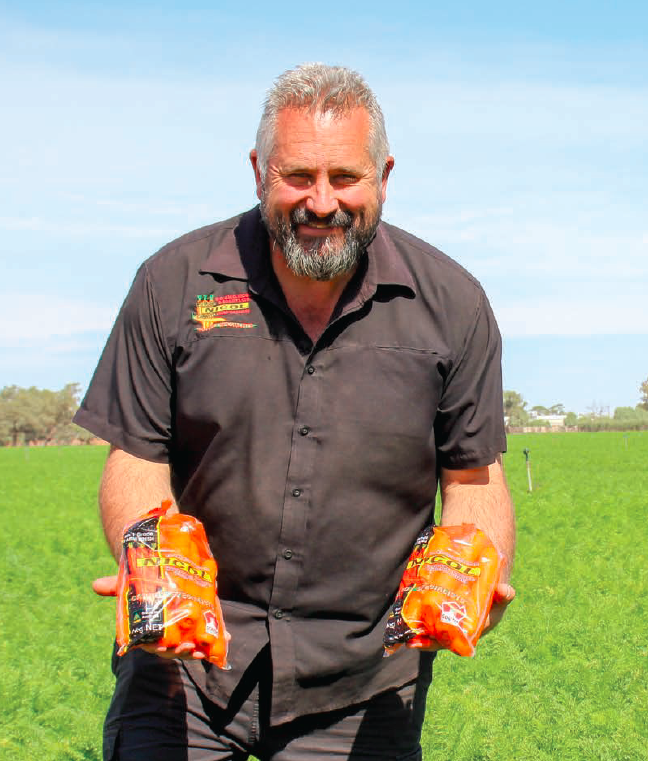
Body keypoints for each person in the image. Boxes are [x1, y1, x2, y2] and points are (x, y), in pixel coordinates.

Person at [75, 62, 516, 761]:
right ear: (258, 170)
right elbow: (137, 456)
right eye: (296, 177)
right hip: (186, 664)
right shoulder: (175, 283)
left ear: (384, 176)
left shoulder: (451, 305)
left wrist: (475, 572)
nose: (320, 202)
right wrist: (152, 565)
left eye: (344, 178)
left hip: (361, 674)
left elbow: (472, 479)